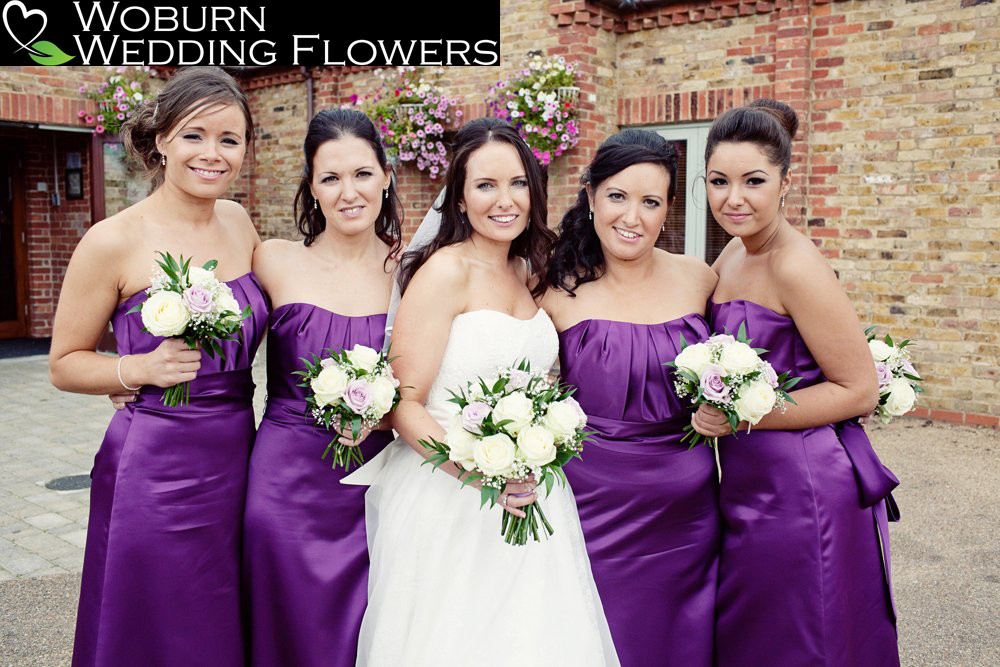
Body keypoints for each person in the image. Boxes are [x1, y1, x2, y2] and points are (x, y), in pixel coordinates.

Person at [341, 118, 619, 665]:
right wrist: (482, 474)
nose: (504, 200)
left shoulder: (531, 270)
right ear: (460, 200)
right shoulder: (443, 273)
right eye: (485, 186)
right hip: (450, 492)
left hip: (533, 490)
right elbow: (404, 404)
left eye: (517, 183)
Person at [49, 67, 266, 667]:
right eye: (195, 135)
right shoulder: (112, 240)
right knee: (155, 618)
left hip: (240, 455)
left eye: (230, 140)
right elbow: (65, 363)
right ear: (162, 139)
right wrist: (136, 370)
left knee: (222, 614)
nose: (214, 154)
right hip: (156, 467)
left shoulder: (240, 223)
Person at [691, 99, 900, 666]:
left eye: (753, 181)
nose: (734, 198)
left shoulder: (795, 264)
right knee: (757, 633)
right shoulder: (733, 251)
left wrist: (741, 413)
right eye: (719, 181)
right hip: (746, 478)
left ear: (786, 181)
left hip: (803, 487)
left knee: (806, 635)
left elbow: (859, 390)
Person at [540, 129, 719, 667]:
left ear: (669, 211)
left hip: (687, 514)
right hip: (590, 509)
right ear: (590, 195)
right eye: (617, 196)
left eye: (650, 202)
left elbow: (765, 359)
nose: (632, 217)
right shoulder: (551, 286)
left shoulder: (701, 279)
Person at [241, 108, 400, 667]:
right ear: (312, 187)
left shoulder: (419, 270)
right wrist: (137, 376)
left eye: (361, 173)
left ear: (386, 174)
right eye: (330, 178)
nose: (348, 191)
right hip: (286, 484)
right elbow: (222, 338)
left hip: (383, 481)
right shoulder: (273, 259)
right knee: (290, 627)